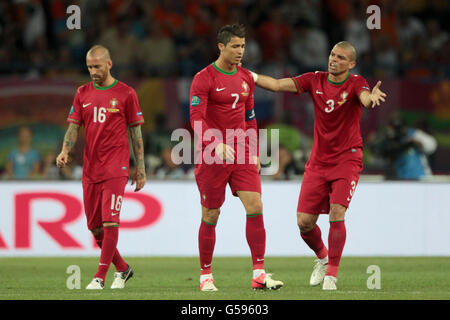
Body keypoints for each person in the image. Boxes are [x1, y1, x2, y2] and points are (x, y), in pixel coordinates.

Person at [250, 41, 387, 290]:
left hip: (347, 158)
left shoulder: (356, 83)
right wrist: (250, 76)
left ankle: (332, 275)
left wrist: (372, 98)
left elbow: (366, 99)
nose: (334, 59)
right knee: (304, 222)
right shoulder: (315, 80)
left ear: (352, 63)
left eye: (341, 57)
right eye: (333, 55)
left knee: (337, 212)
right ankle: (323, 258)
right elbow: (279, 85)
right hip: (319, 161)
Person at [189, 24, 283, 292]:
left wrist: (253, 150)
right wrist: (215, 143)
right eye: (235, 46)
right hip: (212, 153)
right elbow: (196, 120)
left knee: (255, 205)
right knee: (211, 213)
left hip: (241, 150)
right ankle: (206, 276)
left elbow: (250, 118)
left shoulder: (246, 78)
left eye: (242, 46)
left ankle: (259, 274)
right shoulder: (204, 78)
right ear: (221, 47)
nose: (240, 51)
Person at [56, 45, 146, 290]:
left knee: (110, 222)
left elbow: (135, 132)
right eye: (89, 67)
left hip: (116, 167)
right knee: (96, 229)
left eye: (97, 66)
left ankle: (99, 276)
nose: (93, 71)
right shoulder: (82, 93)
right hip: (91, 168)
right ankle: (123, 269)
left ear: (109, 64)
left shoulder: (126, 93)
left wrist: (141, 168)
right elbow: (74, 126)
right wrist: (65, 150)